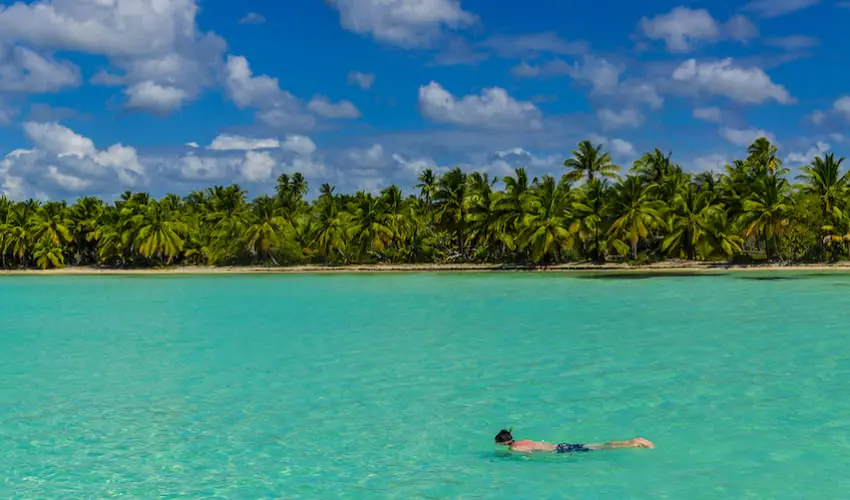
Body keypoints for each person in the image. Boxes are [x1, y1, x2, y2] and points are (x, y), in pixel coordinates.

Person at [494, 429, 654, 454]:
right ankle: (631, 442)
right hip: (561, 445)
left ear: (504, 443)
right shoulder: (523, 440)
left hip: (560, 451)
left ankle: (633, 443)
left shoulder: (514, 448)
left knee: (599, 448)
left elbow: (528, 453)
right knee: (598, 445)